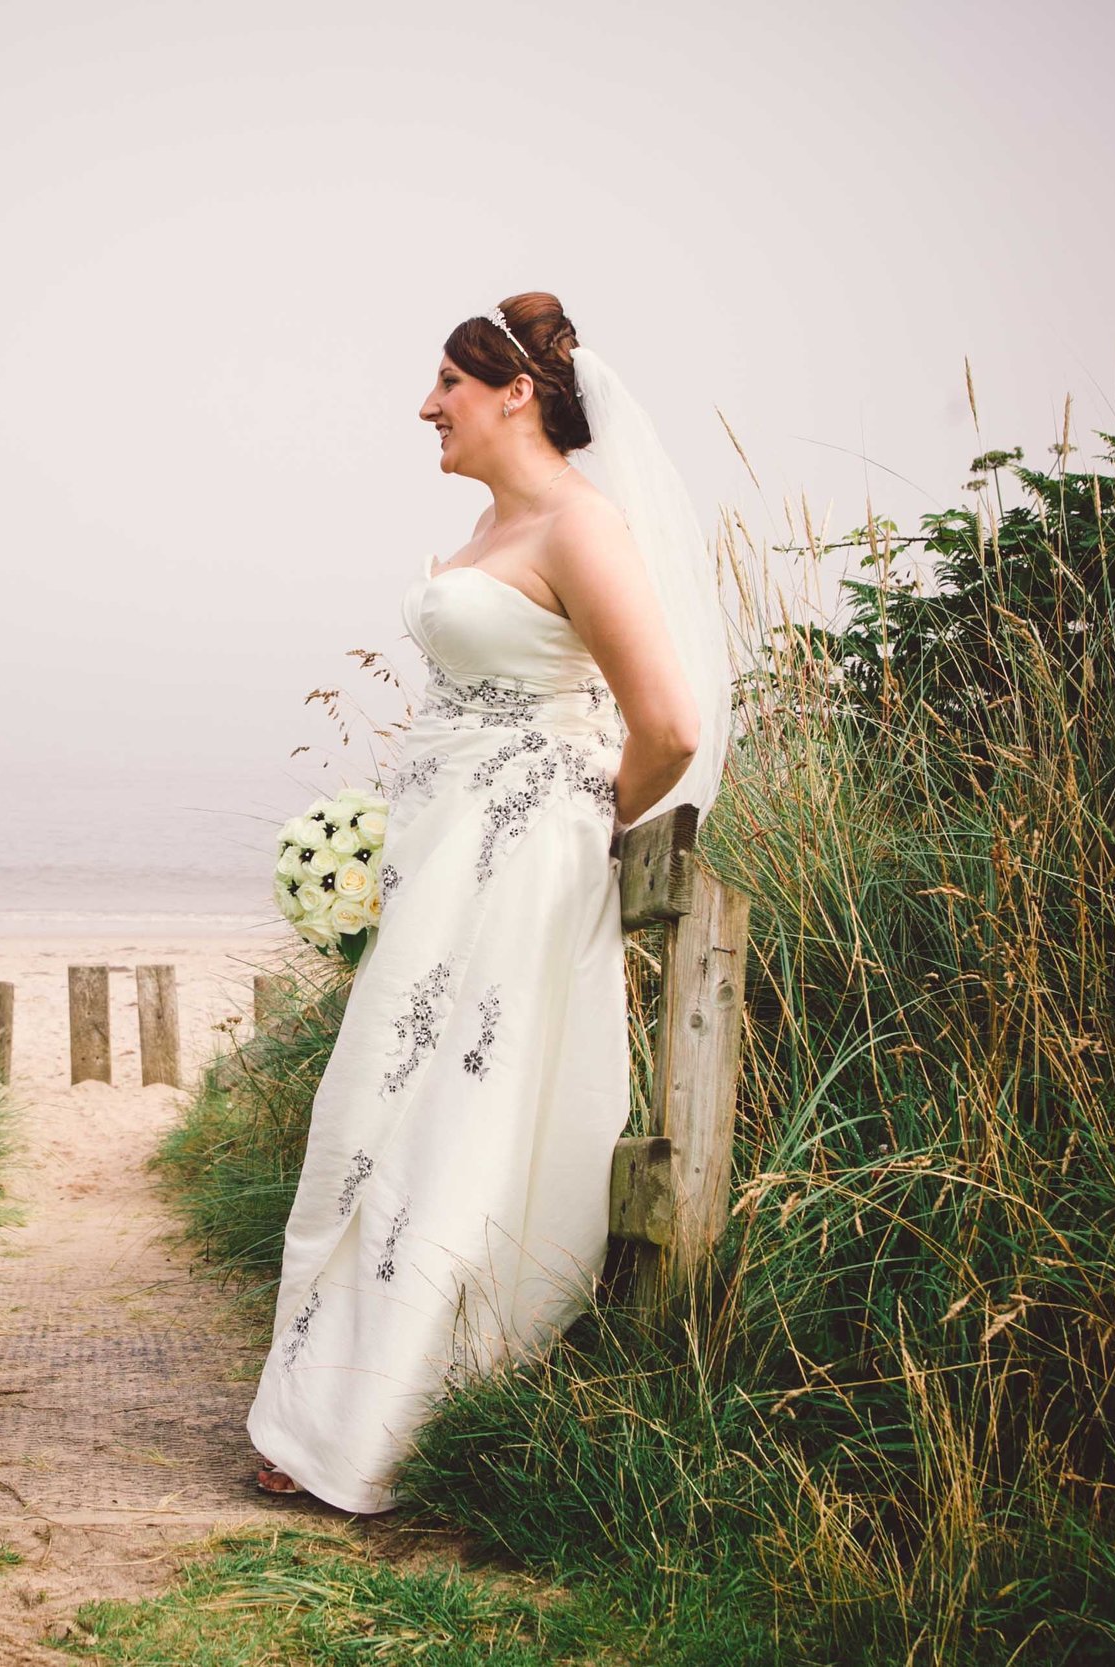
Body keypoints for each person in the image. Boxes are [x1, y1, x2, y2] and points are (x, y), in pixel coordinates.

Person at [246, 292, 733, 1512]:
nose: (426, 407)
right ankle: (328, 1395)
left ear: (515, 392)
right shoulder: (483, 524)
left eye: (447, 386)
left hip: (517, 864)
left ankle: (389, 1416)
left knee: (451, 1118)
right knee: (376, 1104)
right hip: (436, 853)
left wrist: (555, 820)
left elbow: (667, 727)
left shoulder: (581, 525)